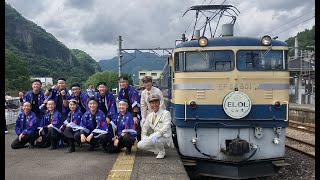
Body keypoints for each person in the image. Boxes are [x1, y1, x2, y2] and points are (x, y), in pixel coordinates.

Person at [137, 93, 174, 159]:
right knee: (140, 145)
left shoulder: (166, 113)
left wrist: (157, 134)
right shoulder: (150, 116)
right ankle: (158, 150)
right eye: (152, 103)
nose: (154, 105)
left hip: (165, 139)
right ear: (150, 105)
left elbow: (166, 127)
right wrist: (144, 136)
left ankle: (162, 152)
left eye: (156, 103)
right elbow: (144, 128)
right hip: (155, 138)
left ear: (159, 103)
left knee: (156, 139)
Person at [117, 75, 141, 141]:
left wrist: (134, 116)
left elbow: (135, 104)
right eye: (120, 82)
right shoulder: (121, 91)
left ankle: (137, 137)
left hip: (133, 111)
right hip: (125, 110)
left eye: (123, 82)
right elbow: (119, 102)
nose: (122, 84)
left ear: (127, 82)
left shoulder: (133, 91)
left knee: (135, 122)